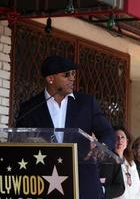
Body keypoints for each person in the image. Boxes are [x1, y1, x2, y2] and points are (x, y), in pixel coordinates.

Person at [16, 55, 116, 199]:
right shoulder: (30, 108)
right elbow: (20, 142)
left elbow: (107, 132)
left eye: (73, 74)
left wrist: (103, 146)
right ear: (50, 79)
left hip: (83, 183)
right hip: (45, 183)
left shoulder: (86, 103)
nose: (72, 78)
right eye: (66, 74)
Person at [114, 126, 140, 199]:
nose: (119, 140)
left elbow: (138, 190)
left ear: (127, 142)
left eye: (122, 137)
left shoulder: (131, 164)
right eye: (116, 137)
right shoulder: (108, 163)